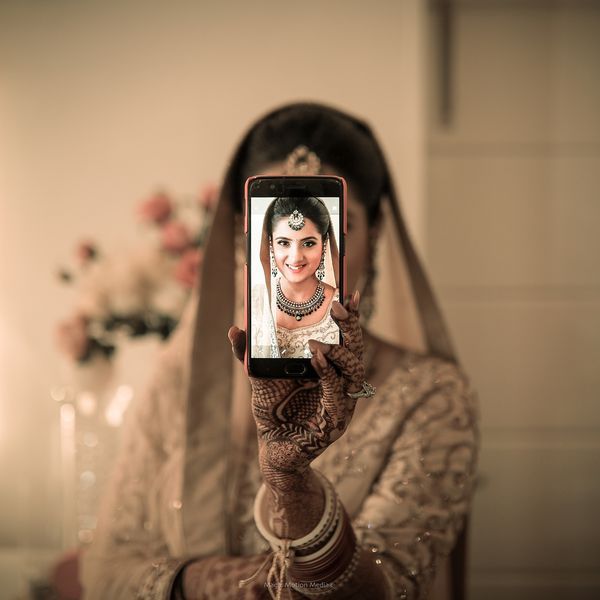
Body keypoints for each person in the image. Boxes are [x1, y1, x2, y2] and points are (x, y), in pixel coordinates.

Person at [81, 103, 479, 600]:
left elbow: (387, 588)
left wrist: (292, 488)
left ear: (373, 239)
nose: (296, 259)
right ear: (239, 238)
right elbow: (105, 569)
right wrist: (208, 581)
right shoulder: (182, 379)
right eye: (275, 226)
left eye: (333, 227)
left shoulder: (430, 395)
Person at [252, 194, 340, 358]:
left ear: (324, 244)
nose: (296, 257)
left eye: (308, 243)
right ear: (270, 245)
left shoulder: (341, 306)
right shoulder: (254, 300)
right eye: (284, 243)